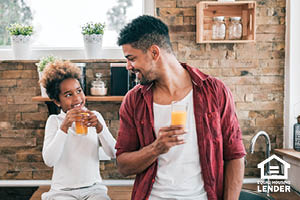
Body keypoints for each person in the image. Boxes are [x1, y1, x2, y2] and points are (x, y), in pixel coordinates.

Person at [115, 15, 246, 200]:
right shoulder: (134, 101)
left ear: (154, 52)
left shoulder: (215, 91)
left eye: (131, 58)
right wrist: (156, 148)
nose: (128, 66)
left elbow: (235, 155)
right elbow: (122, 166)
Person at [39, 60, 116, 200]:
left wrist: (100, 128)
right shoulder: (55, 122)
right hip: (62, 191)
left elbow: (114, 152)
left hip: (94, 189)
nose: (77, 98)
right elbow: (49, 160)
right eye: (68, 95)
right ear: (57, 101)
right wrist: (64, 127)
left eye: (79, 91)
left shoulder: (95, 117)